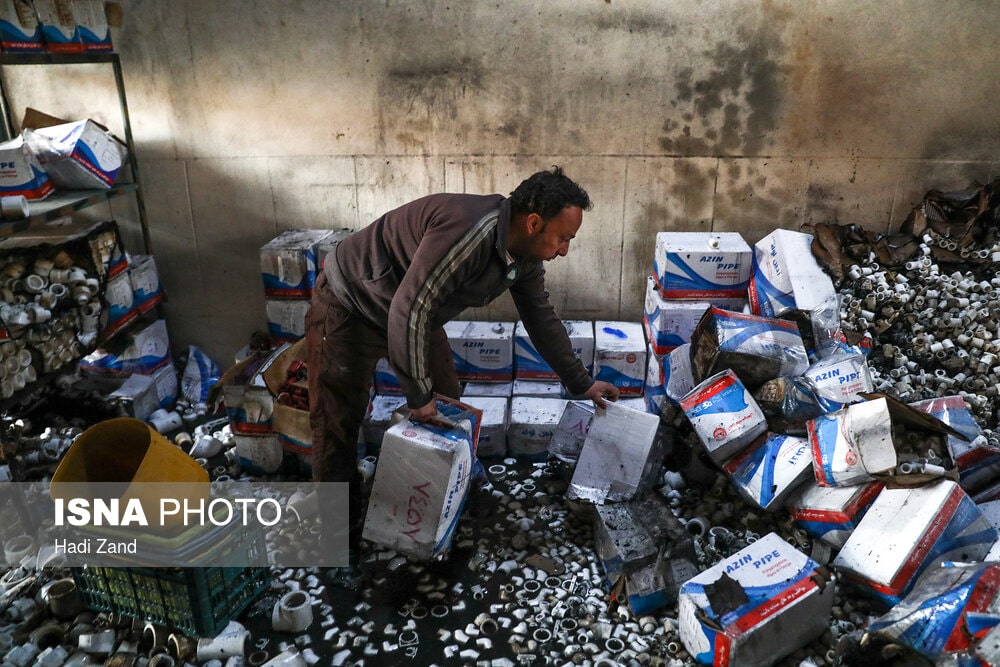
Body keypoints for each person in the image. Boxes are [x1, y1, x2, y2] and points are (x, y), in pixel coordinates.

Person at [305, 166, 619, 581]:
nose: (564, 250)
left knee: (447, 399)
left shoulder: (521, 256)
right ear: (533, 223)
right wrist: (418, 398)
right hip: (352, 304)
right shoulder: (470, 233)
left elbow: (540, 317)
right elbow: (409, 309)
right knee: (336, 423)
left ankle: (439, 501)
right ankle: (336, 541)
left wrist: (582, 382)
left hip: (411, 311)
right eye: (563, 238)